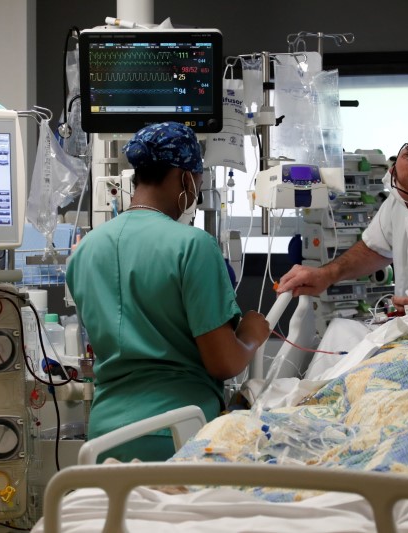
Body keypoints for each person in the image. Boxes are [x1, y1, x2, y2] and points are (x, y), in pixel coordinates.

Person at [65, 121, 271, 462]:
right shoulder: (193, 246)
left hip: (103, 438)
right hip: (178, 433)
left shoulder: (84, 251)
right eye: (199, 180)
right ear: (185, 177)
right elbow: (223, 363)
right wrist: (251, 334)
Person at [277, 135, 408, 314]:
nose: (389, 174)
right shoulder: (402, 204)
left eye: (398, 180)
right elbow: (375, 249)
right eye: (395, 165)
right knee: (340, 332)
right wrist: (326, 275)